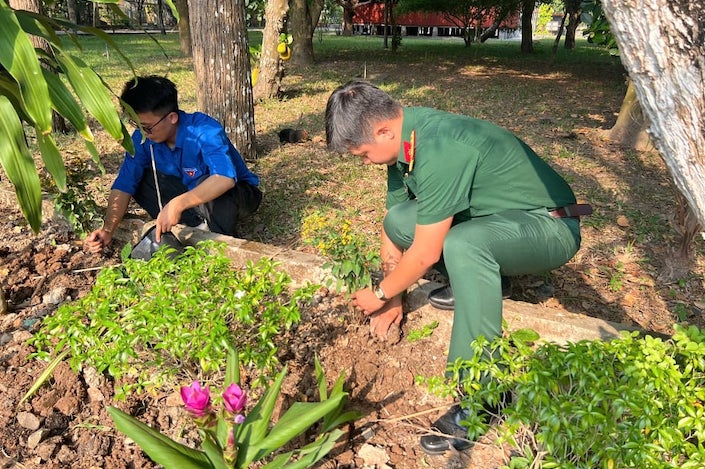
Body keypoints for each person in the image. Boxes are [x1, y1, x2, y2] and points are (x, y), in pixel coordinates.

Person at [325, 80, 590, 454]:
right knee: (400, 220)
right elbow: (392, 224)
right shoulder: (404, 142)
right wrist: (395, 293)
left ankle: (484, 395)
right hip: (500, 219)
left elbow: (424, 254)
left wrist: (381, 294)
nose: (366, 162)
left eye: (364, 154)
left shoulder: (439, 147)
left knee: (464, 243)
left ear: (383, 131)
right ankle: (490, 282)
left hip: (549, 226)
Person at [85, 75, 262, 253]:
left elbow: (224, 179)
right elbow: (124, 184)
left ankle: (216, 243)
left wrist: (177, 204)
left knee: (207, 182)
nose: (143, 132)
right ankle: (192, 227)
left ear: (172, 117)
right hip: (191, 196)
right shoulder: (142, 138)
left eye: (147, 127)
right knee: (139, 180)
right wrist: (108, 229)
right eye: (136, 125)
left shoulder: (203, 130)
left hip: (237, 194)